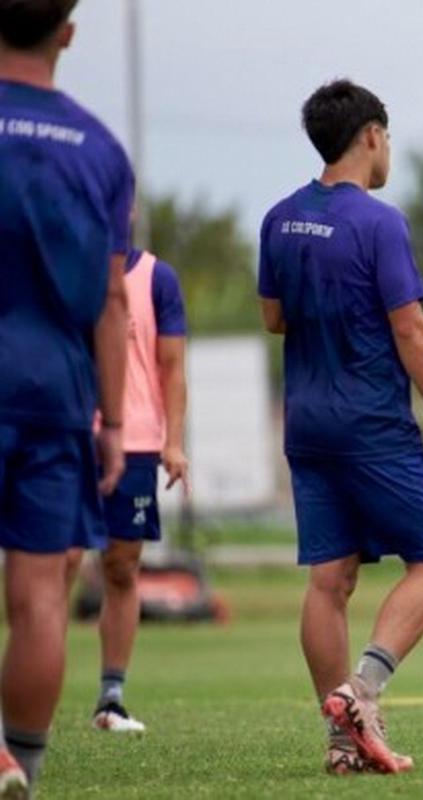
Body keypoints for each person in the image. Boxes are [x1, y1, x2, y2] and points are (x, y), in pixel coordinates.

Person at [258, 79, 423, 776]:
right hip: (372, 424)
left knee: (329, 580)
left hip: (307, 424)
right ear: (371, 135)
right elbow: (410, 326)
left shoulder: (280, 218)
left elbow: (273, 318)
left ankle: (343, 746)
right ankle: (361, 693)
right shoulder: (379, 223)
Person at [0, 0, 134, 793]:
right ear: (69, 34)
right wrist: (114, 421)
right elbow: (112, 302)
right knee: (40, 594)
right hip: (54, 391)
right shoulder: (101, 150)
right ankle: (23, 762)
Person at [64, 239, 189, 734]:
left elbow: (172, 367)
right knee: (58, 565)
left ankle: (111, 698)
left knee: (120, 567)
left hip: (136, 443)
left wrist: (173, 442)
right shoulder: (60, 263)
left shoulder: (159, 278)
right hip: (70, 438)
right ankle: (31, 701)